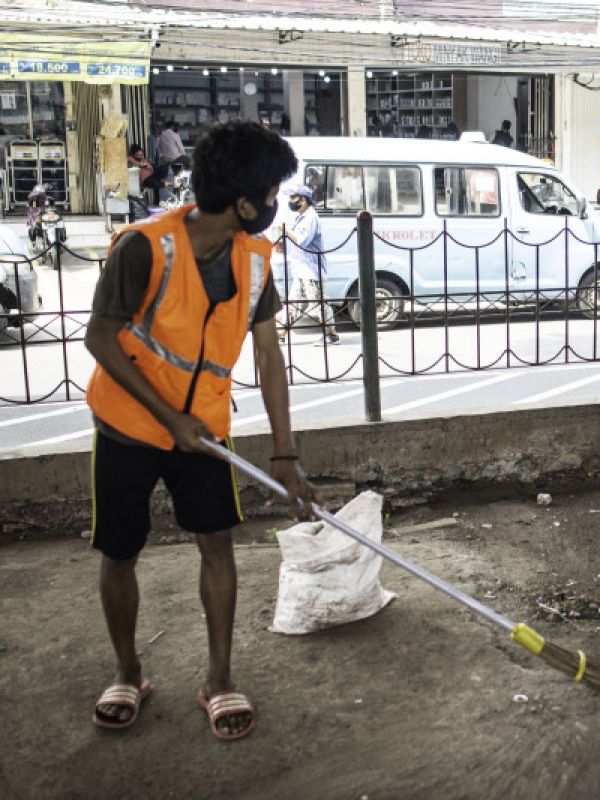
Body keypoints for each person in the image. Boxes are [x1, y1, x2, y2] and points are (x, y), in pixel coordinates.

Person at [84, 121, 319, 741]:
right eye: (271, 193)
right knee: (120, 551)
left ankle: (219, 679)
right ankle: (128, 671)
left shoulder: (255, 263)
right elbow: (100, 337)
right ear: (244, 203)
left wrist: (285, 455)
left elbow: (268, 357)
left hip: (207, 436)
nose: (276, 204)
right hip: (128, 430)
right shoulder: (144, 247)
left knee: (217, 544)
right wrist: (168, 420)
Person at [277, 185, 338, 345]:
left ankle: (331, 335)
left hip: (312, 270)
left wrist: (286, 230)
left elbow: (302, 240)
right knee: (294, 303)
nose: (291, 201)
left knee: (318, 303)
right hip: (301, 269)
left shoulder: (310, 217)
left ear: (303, 200)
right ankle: (280, 333)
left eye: (293, 198)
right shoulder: (301, 217)